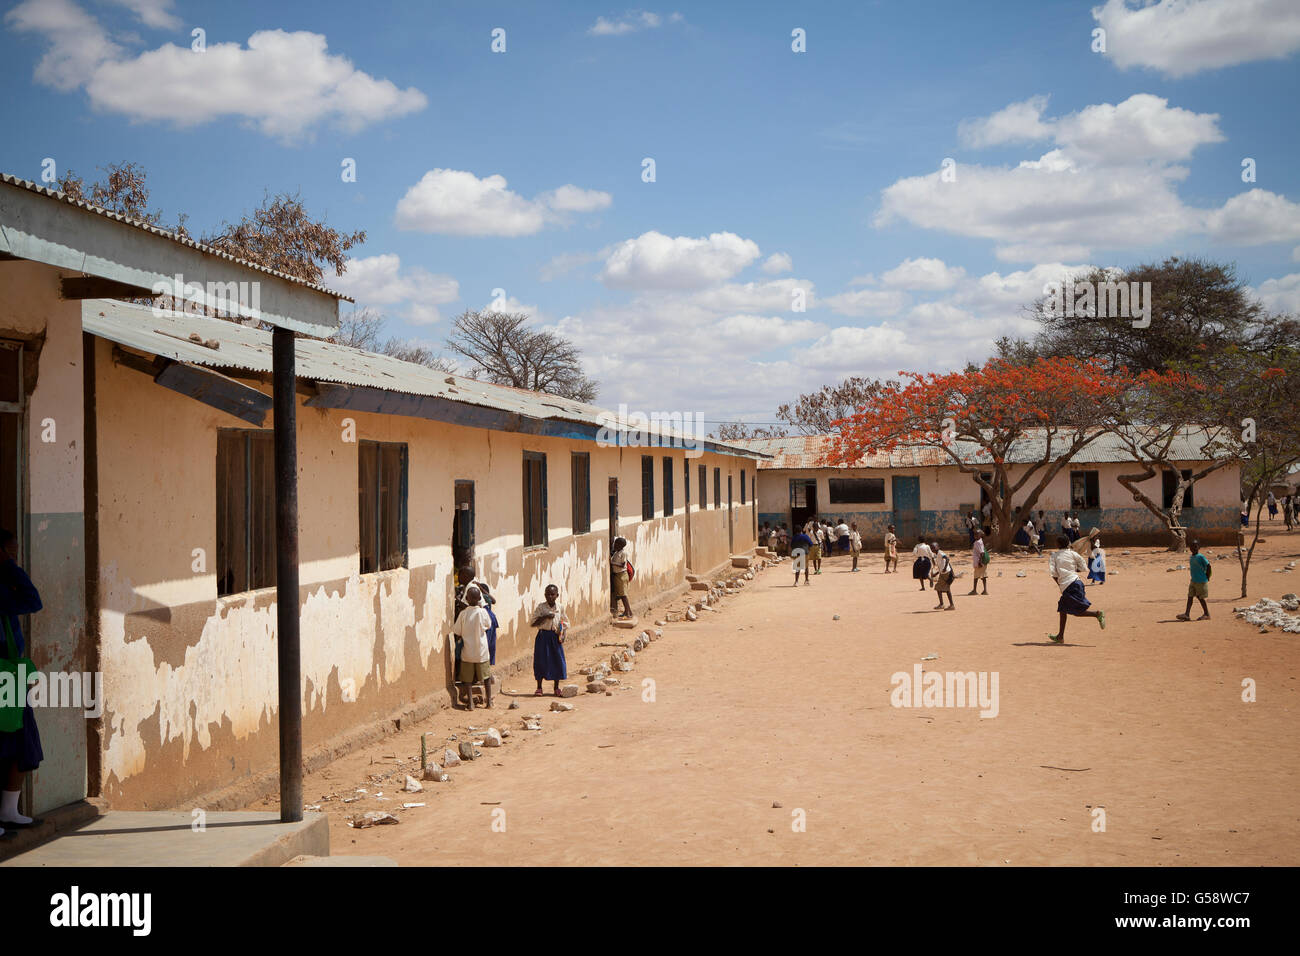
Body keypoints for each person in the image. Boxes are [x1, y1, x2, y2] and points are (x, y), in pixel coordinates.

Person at [0, 529, 42, 832]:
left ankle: (8, 811)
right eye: (9, 551)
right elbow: (32, 599)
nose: (13, 557)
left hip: (10, 672)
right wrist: (9, 567)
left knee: (21, 744)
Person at [1047, 534, 1105, 643]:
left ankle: (1097, 614)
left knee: (1076, 611)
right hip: (1077, 582)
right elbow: (1083, 567)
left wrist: (1060, 584)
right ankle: (1060, 636)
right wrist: (1073, 570)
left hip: (1069, 585)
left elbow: (1054, 574)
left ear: (1058, 544)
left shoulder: (1054, 556)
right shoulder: (1073, 554)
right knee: (1063, 608)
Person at [452, 586, 494, 710]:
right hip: (482, 651)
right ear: (480, 598)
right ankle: (489, 702)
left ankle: (470, 703)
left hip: (468, 652)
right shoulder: (483, 612)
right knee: (486, 677)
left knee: (468, 680)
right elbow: (488, 625)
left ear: (466, 598)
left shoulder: (463, 614)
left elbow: (457, 631)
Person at [531, 584, 569, 695]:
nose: (550, 597)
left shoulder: (560, 607)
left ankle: (556, 687)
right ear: (545, 595)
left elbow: (565, 622)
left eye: (552, 594)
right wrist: (545, 616)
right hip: (543, 636)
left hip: (554, 637)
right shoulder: (541, 607)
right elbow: (533, 623)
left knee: (557, 660)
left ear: (557, 595)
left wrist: (562, 632)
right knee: (540, 660)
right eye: (548, 594)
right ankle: (539, 687)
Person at [1176, 540, 1212, 621]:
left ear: (1199, 547)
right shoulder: (1192, 557)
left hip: (1201, 581)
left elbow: (1209, 566)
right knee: (1190, 597)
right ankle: (1187, 614)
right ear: (1190, 548)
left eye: (1195, 546)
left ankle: (1207, 614)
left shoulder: (1201, 557)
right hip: (1193, 581)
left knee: (1200, 598)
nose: (1194, 548)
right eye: (1192, 546)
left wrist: (1207, 577)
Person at [610, 536, 632, 619]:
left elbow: (623, 565)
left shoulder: (623, 553)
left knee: (623, 595)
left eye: (616, 544)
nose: (614, 545)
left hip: (622, 575)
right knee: (621, 594)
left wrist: (613, 563)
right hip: (618, 575)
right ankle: (627, 611)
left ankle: (629, 612)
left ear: (621, 546)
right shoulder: (616, 552)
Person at [931, 541, 955, 609]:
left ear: (938, 547)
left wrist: (944, 568)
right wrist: (937, 573)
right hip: (943, 573)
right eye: (931, 548)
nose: (932, 549)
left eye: (934, 547)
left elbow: (947, 558)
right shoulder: (937, 554)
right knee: (941, 588)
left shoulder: (940, 553)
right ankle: (944, 604)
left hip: (946, 573)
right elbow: (941, 566)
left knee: (943, 588)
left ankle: (950, 605)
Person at [968, 529, 988, 595]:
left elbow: (982, 553)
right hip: (982, 562)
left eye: (977, 534)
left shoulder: (978, 542)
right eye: (974, 534)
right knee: (983, 576)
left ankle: (974, 590)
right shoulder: (980, 541)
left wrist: (980, 562)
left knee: (976, 577)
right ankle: (985, 590)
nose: (975, 535)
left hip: (979, 562)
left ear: (980, 535)